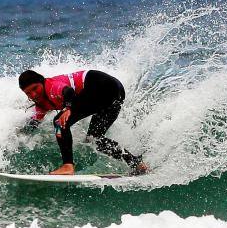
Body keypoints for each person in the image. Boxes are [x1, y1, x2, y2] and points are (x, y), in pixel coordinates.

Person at [19, 69, 148, 175]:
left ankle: (67, 166)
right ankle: (137, 164)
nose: (34, 94)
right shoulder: (41, 104)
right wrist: (18, 136)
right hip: (116, 91)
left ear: (41, 82)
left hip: (102, 85)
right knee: (95, 140)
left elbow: (68, 91)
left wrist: (68, 108)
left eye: (35, 88)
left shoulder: (51, 86)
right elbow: (34, 123)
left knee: (59, 121)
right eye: (28, 93)